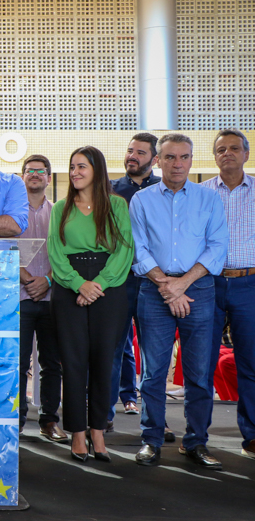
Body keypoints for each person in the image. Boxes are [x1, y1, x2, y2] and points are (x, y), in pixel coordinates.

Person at [130, 133, 228, 469]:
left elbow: (217, 247)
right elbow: (137, 249)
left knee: (200, 373)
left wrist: (181, 284)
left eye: (184, 157)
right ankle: (151, 440)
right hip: (153, 290)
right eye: (170, 157)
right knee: (154, 373)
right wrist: (165, 284)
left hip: (198, 289)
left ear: (191, 160)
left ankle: (196, 443)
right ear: (157, 160)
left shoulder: (209, 199)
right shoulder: (141, 201)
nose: (178, 164)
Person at [48, 147, 134, 462]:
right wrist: (77, 284)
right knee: (72, 363)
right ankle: (78, 434)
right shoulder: (60, 207)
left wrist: (97, 285)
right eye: (72, 167)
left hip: (107, 288)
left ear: (97, 169)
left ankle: (98, 431)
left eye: (81, 166)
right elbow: (55, 254)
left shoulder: (116, 205)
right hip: (69, 286)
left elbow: (124, 251)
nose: (74, 172)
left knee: (103, 362)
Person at [200, 129, 254, 457]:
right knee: (201, 361)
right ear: (215, 155)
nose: (227, 153)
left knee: (249, 361)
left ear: (246, 154)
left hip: (249, 283)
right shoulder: (201, 194)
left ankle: (251, 434)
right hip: (209, 282)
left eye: (234, 148)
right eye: (221, 149)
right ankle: (196, 435)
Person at [108, 133, 160, 425]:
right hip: (119, 282)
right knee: (113, 350)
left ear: (153, 159)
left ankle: (155, 421)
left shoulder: (165, 190)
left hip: (154, 282)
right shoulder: (111, 191)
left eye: (140, 152)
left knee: (153, 354)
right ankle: (103, 417)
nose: (132, 156)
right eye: (130, 151)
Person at [16, 155, 65, 442]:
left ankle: (49, 420)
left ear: (48, 177)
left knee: (51, 364)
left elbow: (63, 254)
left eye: (41, 171)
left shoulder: (59, 212)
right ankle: (18, 420)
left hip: (51, 298)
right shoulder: (13, 213)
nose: (35, 174)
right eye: (29, 170)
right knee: (18, 364)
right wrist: (28, 280)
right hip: (19, 297)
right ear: (22, 176)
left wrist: (46, 280)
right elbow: (5, 248)